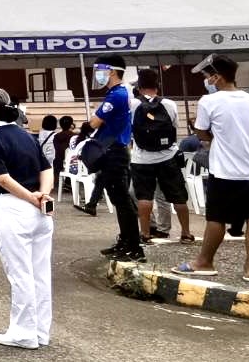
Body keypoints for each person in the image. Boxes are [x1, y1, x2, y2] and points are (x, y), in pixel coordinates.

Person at [0, 87, 55, 350]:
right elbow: (47, 168)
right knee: (40, 274)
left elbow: (1, 177)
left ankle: (23, 332)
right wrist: (42, 195)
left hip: (11, 207)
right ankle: (40, 331)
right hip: (40, 210)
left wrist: (31, 197)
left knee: (20, 273)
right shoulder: (26, 136)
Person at [179, 54, 249, 281]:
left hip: (225, 171)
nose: (206, 80)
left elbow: (201, 132)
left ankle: (204, 262)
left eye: (208, 76)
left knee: (216, 218)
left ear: (217, 77)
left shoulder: (209, 101)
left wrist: (214, 137)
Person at [74, 55, 141, 260]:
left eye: (100, 71)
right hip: (113, 150)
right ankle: (125, 241)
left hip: (115, 152)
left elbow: (94, 122)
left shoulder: (117, 95)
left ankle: (134, 247)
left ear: (111, 71)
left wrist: (83, 132)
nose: (98, 76)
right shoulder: (116, 93)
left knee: (122, 201)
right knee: (119, 199)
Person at [129, 69, 192, 245]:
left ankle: (146, 233)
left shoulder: (133, 105)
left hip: (142, 159)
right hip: (168, 157)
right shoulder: (170, 104)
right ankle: (186, 233)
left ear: (139, 87)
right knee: (178, 196)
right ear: (157, 85)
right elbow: (174, 126)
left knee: (144, 197)